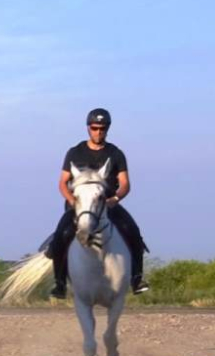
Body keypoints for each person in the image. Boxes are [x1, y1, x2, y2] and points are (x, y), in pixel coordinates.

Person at [49, 107, 149, 299]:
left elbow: (125, 184)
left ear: (108, 129)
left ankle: (136, 278)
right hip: (79, 206)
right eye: (94, 128)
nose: (98, 132)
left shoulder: (116, 153)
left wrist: (115, 199)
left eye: (102, 128)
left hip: (107, 204)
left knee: (133, 232)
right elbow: (62, 183)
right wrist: (72, 201)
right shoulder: (74, 152)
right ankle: (59, 283)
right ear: (88, 128)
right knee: (61, 235)